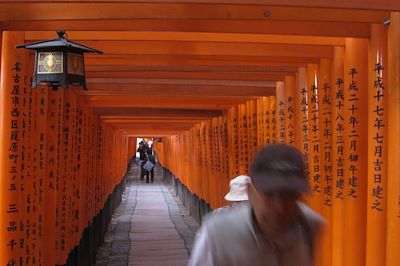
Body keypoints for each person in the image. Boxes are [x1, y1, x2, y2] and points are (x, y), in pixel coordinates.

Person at [188, 143, 324, 266]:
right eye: (269, 194)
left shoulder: (309, 225)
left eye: (289, 195)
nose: (280, 208)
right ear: (250, 191)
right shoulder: (217, 235)